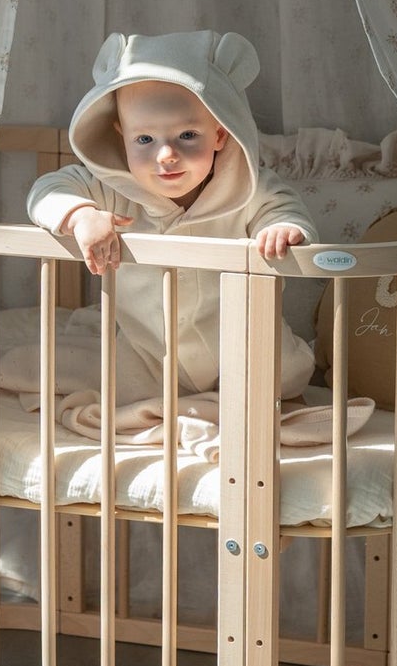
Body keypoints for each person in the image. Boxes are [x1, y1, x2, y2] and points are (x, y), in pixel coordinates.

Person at [26, 29, 319, 400]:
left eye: (187, 135)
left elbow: (282, 206)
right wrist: (81, 216)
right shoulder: (111, 188)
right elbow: (46, 190)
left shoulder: (246, 186)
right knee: (122, 390)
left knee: (286, 375)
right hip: (151, 350)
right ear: (122, 137)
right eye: (145, 140)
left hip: (239, 335)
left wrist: (282, 228)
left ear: (220, 134)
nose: (166, 155)